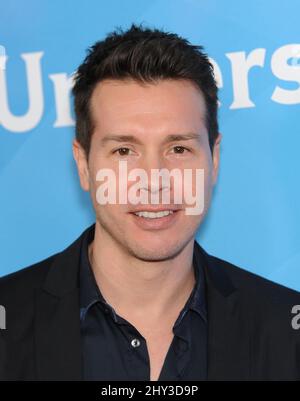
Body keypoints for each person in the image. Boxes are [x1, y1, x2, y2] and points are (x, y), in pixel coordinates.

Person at [0, 23, 299, 381]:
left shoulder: (287, 332)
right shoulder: (9, 322)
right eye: (124, 151)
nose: (154, 180)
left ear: (214, 160)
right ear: (83, 165)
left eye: (178, 149)